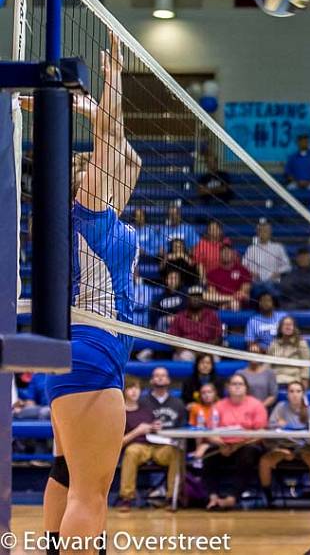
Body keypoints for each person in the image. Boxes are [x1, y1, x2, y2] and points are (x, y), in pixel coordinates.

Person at [43, 33, 141, 551]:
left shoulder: (102, 220)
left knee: (66, 469)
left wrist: (98, 118)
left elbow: (128, 156)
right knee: (91, 493)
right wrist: (113, 84)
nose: (118, 172)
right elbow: (112, 143)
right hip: (92, 350)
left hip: (81, 349)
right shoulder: (88, 213)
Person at [201, 374, 268, 510]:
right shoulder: (219, 406)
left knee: (247, 456)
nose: (237, 387)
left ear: (246, 388)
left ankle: (231, 498)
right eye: (234, 384)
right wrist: (221, 444)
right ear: (228, 387)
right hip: (224, 446)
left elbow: (261, 432)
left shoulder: (256, 405)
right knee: (209, 455)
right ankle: (212, 498)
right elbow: (209, 432)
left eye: (240, 384)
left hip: (246, 445)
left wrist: (238, 445)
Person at [114, 376, 181, 513]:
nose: (134, 391)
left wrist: (156, 427)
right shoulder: (119, 412)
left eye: (137, 388)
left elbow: (153, 430)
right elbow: (118, 443)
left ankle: (171, 497)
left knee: (174, 451)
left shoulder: (146, 410)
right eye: (130, 388)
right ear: (124, 390)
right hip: (136, 446)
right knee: (131, 452)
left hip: (155, 445)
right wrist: (137, 431)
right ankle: (126, 497)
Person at [260, 380, 310, 507]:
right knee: (265, 462)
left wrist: (288, 427)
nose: (295, 394)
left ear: (303, 394)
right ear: (287, 394)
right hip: (283, 446)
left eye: (298, 391)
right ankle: (268, 498)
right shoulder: (280, 407)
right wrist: (278, 427)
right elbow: (270, 427)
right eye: (291, 391)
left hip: (303, 447)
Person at [168, 286, 223, 360]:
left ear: (202, 299)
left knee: (215, 358)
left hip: (207, 350)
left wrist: (205, 350)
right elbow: (173, 338)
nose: (196, 299)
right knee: (185, 357)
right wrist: (184, 350)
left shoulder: (211, 315)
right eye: (193, 297)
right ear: (188, 299)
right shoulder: (180, 316)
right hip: (186, 350)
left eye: (198, 297)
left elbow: (218, 336)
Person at [242, 220, 292, 294]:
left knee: (269, 287)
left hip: (273, 282)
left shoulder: (278, 247)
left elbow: (287, 266)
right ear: (257, 233)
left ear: (270, 232)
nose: (263, 233)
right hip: (256, 282)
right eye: (261, 230)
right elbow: (243, 266)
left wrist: (277, 273)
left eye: (266, 230)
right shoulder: (251, 249)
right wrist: (251, 273)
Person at [267, 316, 310, 386]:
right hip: (275, 379)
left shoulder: (301, 344)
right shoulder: (274, 344)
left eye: (290, 324)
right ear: (280, 328)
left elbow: (305, 366)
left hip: (294, 380)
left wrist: (304, 383)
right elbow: (267, 364)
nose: (288, 326)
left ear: (294, 328)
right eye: (285, 324)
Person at [205, 245, 253, 311]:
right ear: (219, 255)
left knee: (234, 303)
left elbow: (244, 291)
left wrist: (232, 300)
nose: (226, 254)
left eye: (228, 252)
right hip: (220, 302)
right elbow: (212, 293)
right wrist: (229, 299)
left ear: (233, 254)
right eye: (223, 252)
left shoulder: (243, 270)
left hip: (239, 302)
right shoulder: (212, 273)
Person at [148, 269, 186, 333]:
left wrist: (176, 317)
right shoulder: (161, 297)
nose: (172, 281)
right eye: (170, 278)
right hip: (164, 325)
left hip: (181, 323)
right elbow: (155, 312)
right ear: (166, 280)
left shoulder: (184, 294)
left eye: (175, 278)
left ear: (179, 280)